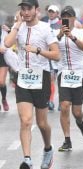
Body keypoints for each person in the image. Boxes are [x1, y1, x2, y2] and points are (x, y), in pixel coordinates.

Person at [4, 0, 60, 168]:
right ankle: (27, 159)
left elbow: (56, 55)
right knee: (26, 121)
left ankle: (48, 149)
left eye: (29, 9)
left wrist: (38, 50)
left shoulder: (45, 29)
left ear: (37, 10)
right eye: (23, 9)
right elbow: (6, 44)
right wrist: (17, 24)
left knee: (42, 123)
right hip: (23, 78)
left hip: (41, 78)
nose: (26, 12)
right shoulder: (19, 27)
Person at [56, 6, 83, 152]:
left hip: (80, 75)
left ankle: (80, 122)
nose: (66, 19)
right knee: (64, 106)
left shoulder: (80, 32)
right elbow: (50, 47)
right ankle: (67, 140)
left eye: (69, 16)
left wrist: (71, 36)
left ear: (74, 18)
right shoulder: (54, 33)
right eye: (64, 17)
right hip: (63, 74)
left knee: (76, 112)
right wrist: (60, 35)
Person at [42, 4, 60, 111]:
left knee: (61, 80)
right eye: (50, 11)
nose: (51, 13)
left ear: (57, 13)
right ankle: (51, 101)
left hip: (61, 56)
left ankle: (62, 101)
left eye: (53, 12)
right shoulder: (44, 23)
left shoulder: (62, 24)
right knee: (51, 80)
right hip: (50, 56)